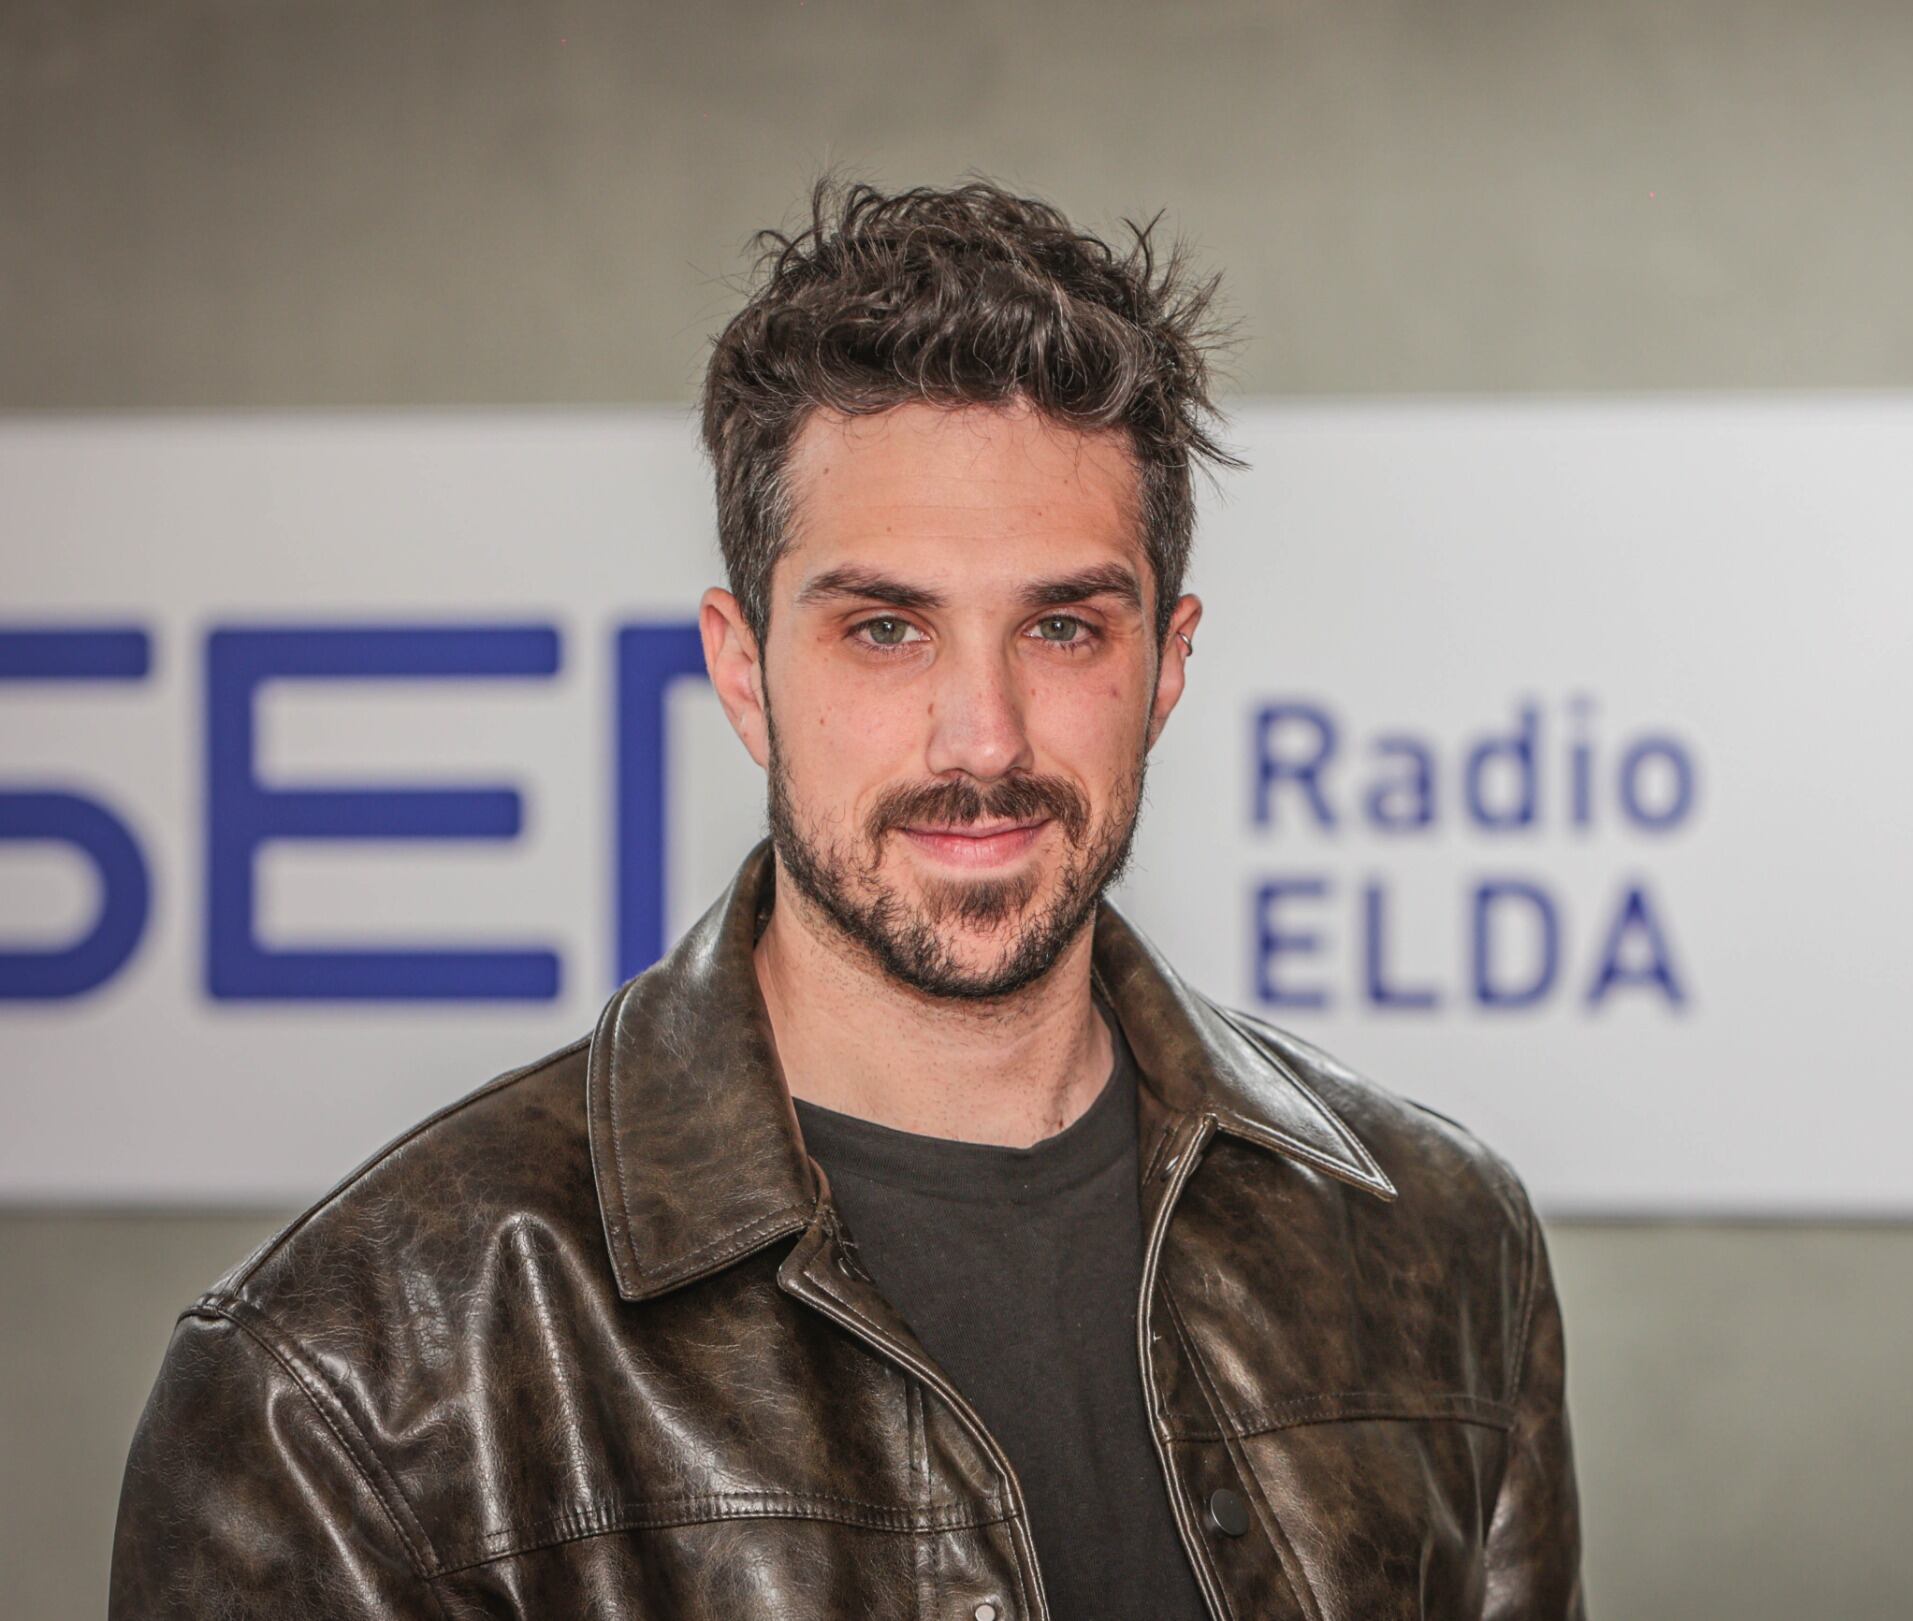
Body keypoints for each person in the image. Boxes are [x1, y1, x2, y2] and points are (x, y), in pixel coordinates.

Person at [108, 178, 1584, 1620]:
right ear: (744, 669)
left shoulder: (1436, 1242)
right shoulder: (351, 1376)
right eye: (886, 629)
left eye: (1063, 625)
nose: (984, 738)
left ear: (1166, 666)